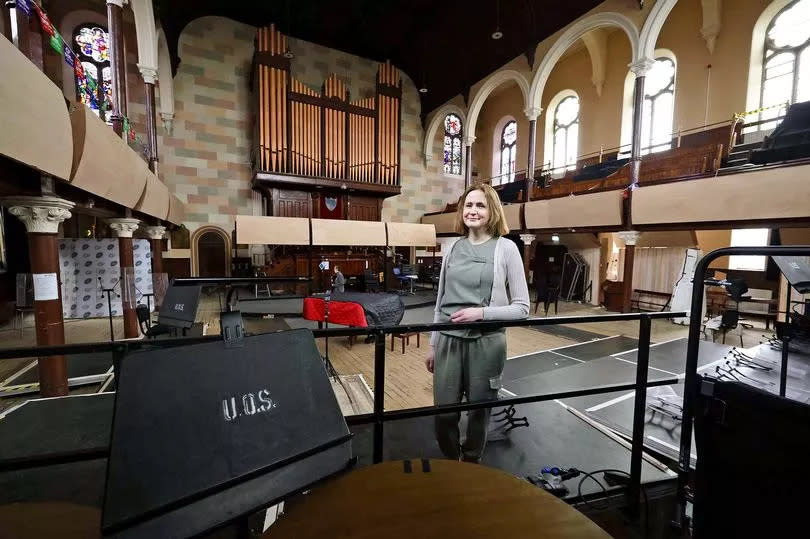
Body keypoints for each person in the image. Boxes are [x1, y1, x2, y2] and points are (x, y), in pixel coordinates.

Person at [425, 183, 529, 463]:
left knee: (478, 412)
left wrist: (480, 314)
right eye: (468, 205)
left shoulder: (506, 249)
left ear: (492, 211)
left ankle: (471, 462)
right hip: (448, 340)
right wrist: (433, 345)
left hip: (486, 343)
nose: (473, 211)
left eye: (480, 205)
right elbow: (440, 302)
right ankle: (451, 460)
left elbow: (522, 309)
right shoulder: (453, 248)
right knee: (444, 412)